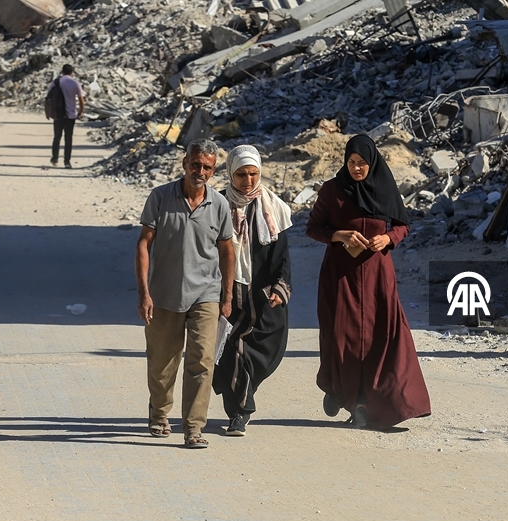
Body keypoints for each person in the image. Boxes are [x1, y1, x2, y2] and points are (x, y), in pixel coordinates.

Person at [307, 134, 431, 429]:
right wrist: (339, 235)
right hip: (341, 276)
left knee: (380, 338)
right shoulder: (332, 191)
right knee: (342, 338)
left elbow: (403, 226)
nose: (357, 169)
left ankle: (363, 402)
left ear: (372, 163)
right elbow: (313, 228)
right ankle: (338, 389)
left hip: (377, 275)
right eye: (351, 163)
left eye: (362, 163)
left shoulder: (384, 188)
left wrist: (387, 237)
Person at [136, 138, 235, 449]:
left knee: (202, 361)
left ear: (214, 170)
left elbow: (227, 251)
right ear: (184, 164)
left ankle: (193, 427)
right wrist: (144, 293)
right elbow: (143, 244)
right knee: (162, 360)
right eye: (195, 165)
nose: (200, 172)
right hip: (165, 294)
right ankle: (159, 413)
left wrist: (227, 296)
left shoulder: (218, 204)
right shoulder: (161, 197)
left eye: (207, 167)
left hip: (206, 293)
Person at [213, 145, 293, 437]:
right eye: (241, 174)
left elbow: (282, 258)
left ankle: (240, 404)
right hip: (227, 295)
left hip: (262, 297)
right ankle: (240, 413)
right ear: (230, 174)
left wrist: (279, 289)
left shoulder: (276, 209)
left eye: (253, 174)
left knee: (248, 354)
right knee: (230, 349)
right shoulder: (217, 205)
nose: (247, 180)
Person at [47, 64, 85, 168]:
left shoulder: (56, 82)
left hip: (58, 114)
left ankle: (55, 158)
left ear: (62, 71)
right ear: (72, 72)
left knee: (57, 137)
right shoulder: (75, 83)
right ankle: (67, 162)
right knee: (68, 139)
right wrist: (80, 112)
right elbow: (82, 101)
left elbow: (49, 98)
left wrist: (48, 112)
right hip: (70, 115)